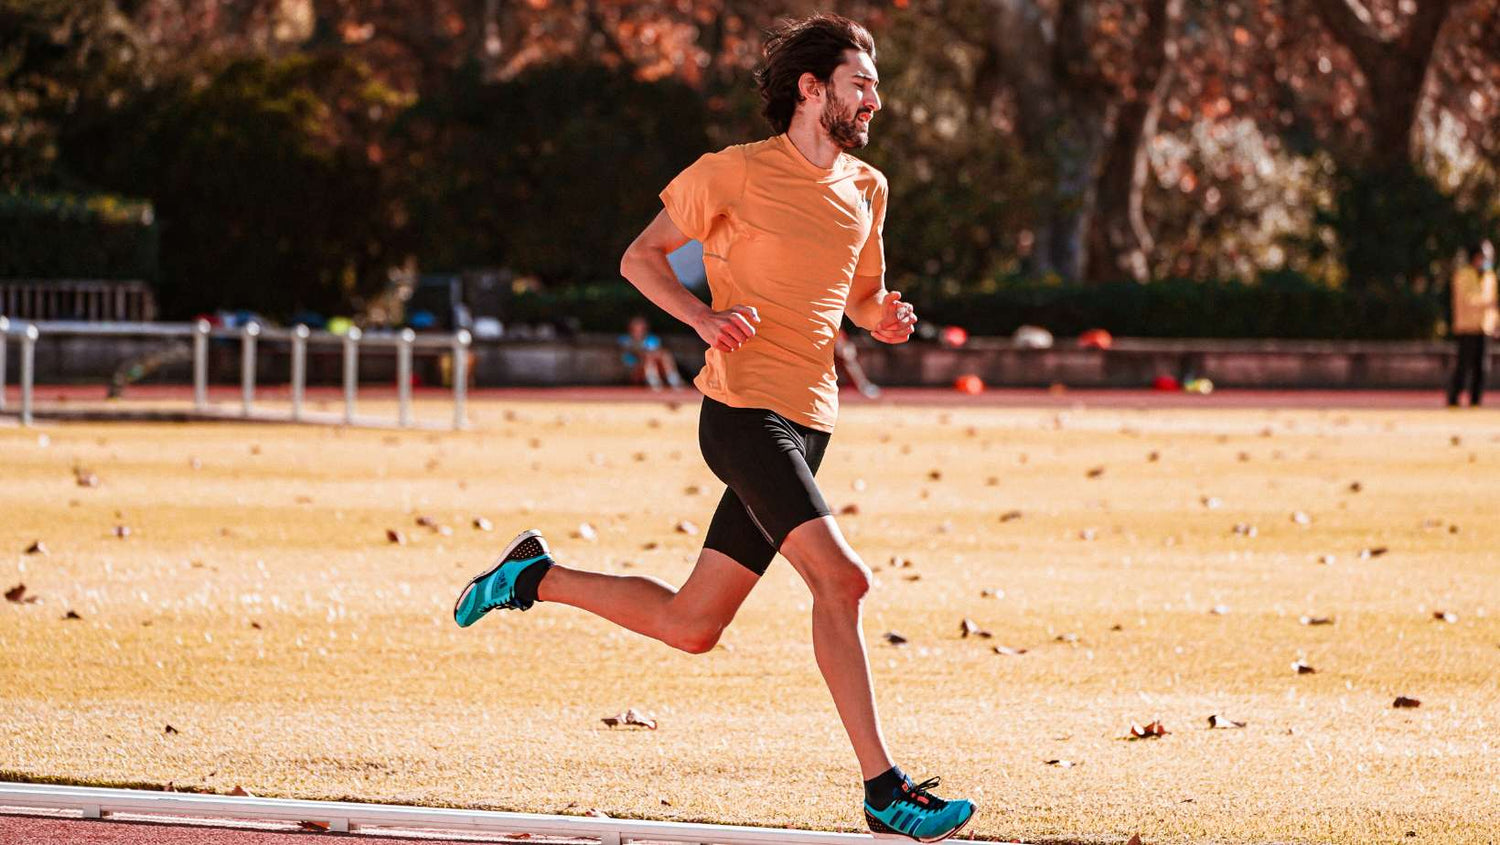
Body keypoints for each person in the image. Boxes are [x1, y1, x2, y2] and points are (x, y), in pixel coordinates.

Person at [453, 14, 975, 843]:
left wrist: (886, 319)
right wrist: (701, 317)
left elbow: (862, 295)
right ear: (813, 89)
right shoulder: (731, 173)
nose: (875, 98)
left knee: (692, 626)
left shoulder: (867, 188)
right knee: (844, 583)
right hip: (741, 414)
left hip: (811, 422)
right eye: (861, 82)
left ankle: (532, 576)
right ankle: (884, 789)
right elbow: (640, 257)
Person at [1447, 240, 1497, 407]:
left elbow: (1494, 303)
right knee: (1463, 367)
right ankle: (1453, 400)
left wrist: (1496, 322)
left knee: (1482, 368)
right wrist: (1487, 303)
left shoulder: (1490, 277)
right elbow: (1466, 300)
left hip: (1484, 328)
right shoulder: (1463, 275)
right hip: (1466, 328)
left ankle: (1476, 402)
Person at [619, 314, 686, 390]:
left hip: (654, 366)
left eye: (642, 328)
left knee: (664, 355)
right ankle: (655, 381)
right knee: (649, 357)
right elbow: (631, 354)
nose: (639, 330)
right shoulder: (625, 340)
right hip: (634, 370)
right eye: (636, 328)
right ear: (631, 329)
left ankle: (672, 379)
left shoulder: (652, 339)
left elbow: (656, 352)